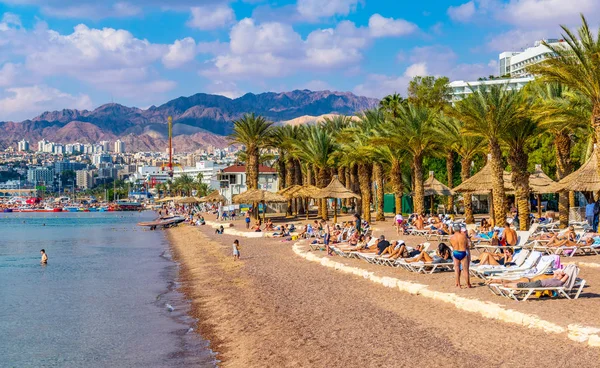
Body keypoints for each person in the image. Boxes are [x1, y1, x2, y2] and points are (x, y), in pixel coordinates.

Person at [450, 224, 471, 288]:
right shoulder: (464, 236)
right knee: (465, 270)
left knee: (456, 269)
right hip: (463, 252)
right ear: (460, 229)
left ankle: (458, 284)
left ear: (454, 230)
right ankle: (468, 284)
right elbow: (467, 245)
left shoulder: (451, 237)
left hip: (455, 252)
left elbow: (452, 245)